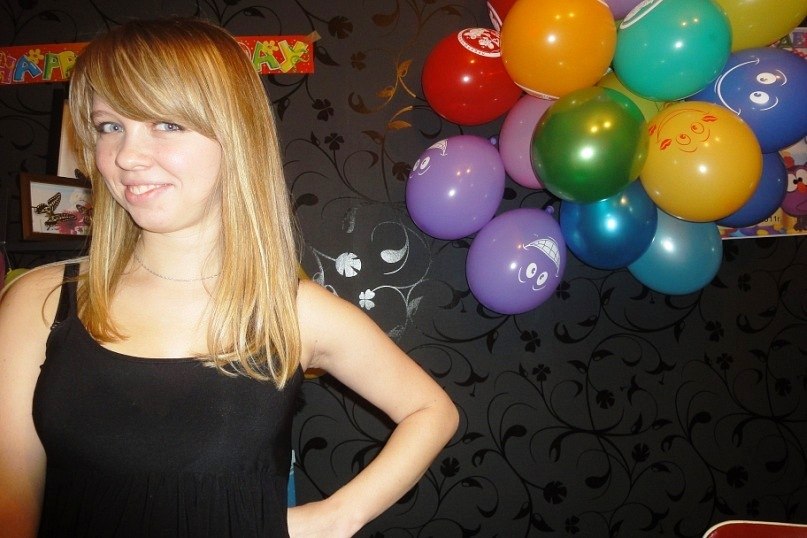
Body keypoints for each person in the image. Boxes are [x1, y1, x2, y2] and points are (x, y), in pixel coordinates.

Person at [0, 17, 458, 537]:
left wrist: (332, 519)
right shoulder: (39, 302)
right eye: (110, 126)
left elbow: (431, 410)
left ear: (235, 135)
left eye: (166, 124)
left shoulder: (293, 312)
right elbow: (11, 502)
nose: (126, 156)